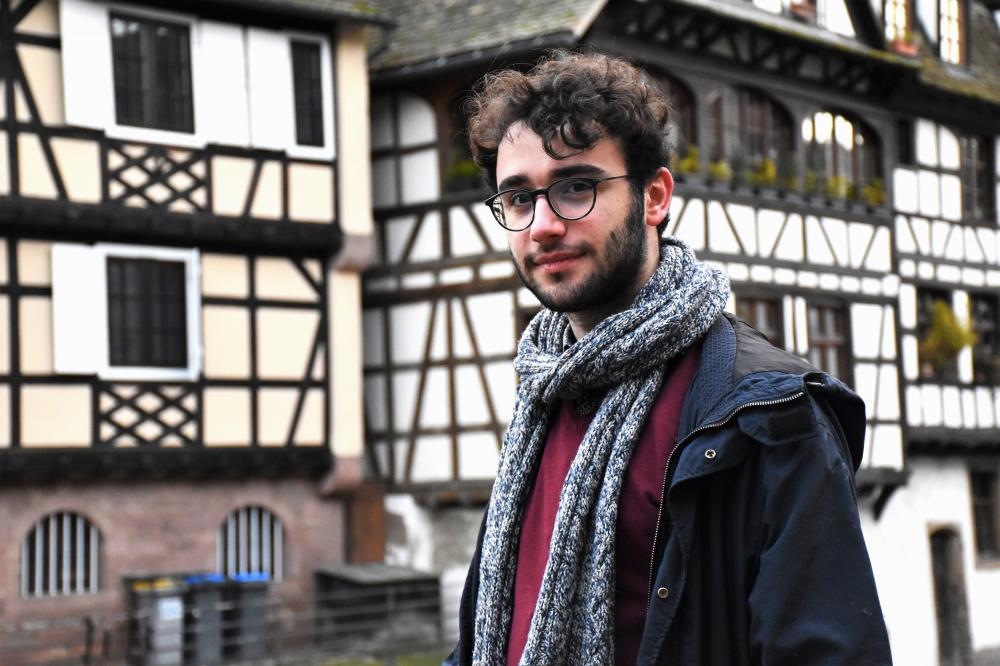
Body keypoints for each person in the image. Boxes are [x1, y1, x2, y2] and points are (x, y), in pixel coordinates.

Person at [446, 50, 892, 665]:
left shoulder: (770, 415)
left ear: (654, 196)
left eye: (576, 187)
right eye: (519, 198)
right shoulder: (541, 392)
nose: (542, 225)